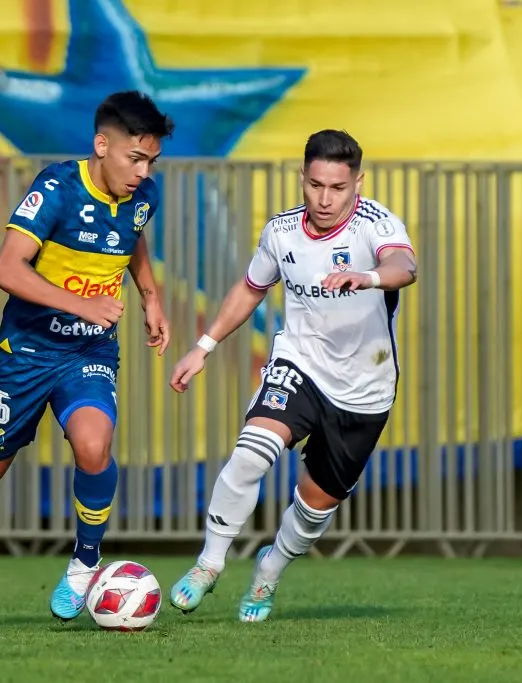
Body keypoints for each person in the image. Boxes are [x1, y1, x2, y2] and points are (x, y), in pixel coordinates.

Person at [0, 91, 174, 632]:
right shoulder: (57, 188)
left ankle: (86, 562)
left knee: (95, 445)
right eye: (134, 159)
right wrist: (85, 303)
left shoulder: (144, 197)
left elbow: (131, 236)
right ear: (101, 145)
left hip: (88, 350)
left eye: (150, 162)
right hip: (23, 354)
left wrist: (151, 296)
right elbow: (7, 268)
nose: (143, 172)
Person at [167, 129, 418, 623]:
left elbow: (403, 266)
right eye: (316, 185)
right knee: (251, 453)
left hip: (365, 389)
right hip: (299, 364)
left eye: (338, 188)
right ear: (302, 178)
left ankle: (269, 572)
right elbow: (250, 289)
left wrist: (365, 276)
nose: (325, 199)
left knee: (313, 508)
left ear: (357, 184)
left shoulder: (376, 224)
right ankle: (208, 565)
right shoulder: (280, 232)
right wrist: (203, 347)